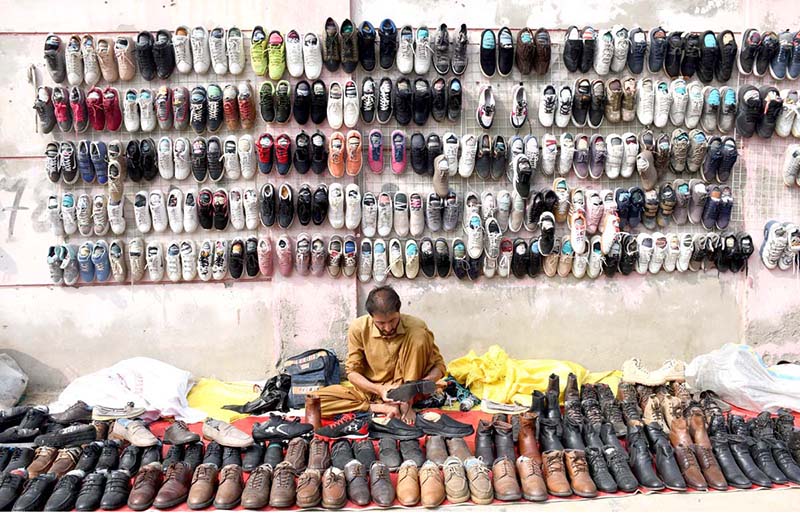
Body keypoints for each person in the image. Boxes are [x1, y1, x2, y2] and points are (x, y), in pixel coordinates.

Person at [313, 285, 446, 424]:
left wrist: (420, 385)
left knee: (418, 335)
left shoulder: (416, 326)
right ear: (371, 317)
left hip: (410, 391)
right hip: (372, 392)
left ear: (399, 311)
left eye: (393, 320)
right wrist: (379, 390)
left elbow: (439, 366)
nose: (388, 328)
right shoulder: (358, 328)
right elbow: (352, 373)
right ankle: (381, 408)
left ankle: (406, 402)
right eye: (381, 323)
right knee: (314, 401)